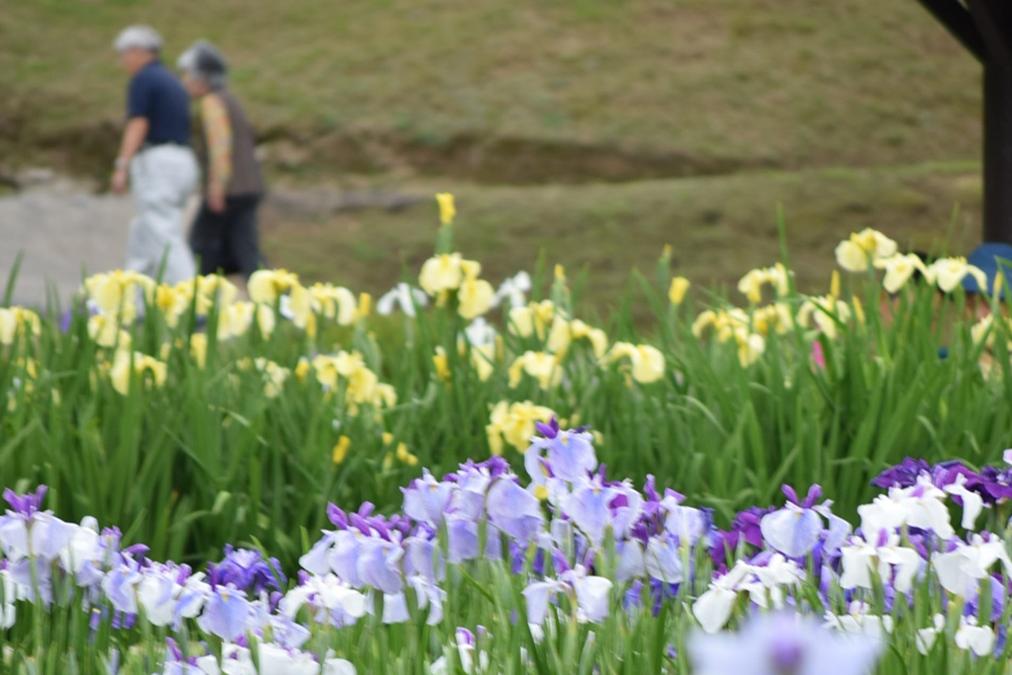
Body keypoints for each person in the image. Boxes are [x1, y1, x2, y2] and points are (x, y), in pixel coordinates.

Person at [112, 25, 198, 284]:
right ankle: (135, 300)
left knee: (161, 230)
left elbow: (138, 123)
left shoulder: (144, 79)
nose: (123, 62)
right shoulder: (171, 80)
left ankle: (191, 297)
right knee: (143, 231)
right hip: (183, 160)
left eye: (124, 54)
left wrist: (122, 165)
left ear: (139, 52)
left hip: (159, 161)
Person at [177, 41, 265, 289]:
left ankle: (195, 303)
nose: (184, 81)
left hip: (231, 190)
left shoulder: (212, 103)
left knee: (200, 245)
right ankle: (276, 303)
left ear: (200, 77)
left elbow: (220, 146)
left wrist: (216, 187)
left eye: (187, 74)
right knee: (243, 248)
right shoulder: (229, 100)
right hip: (247, 186)